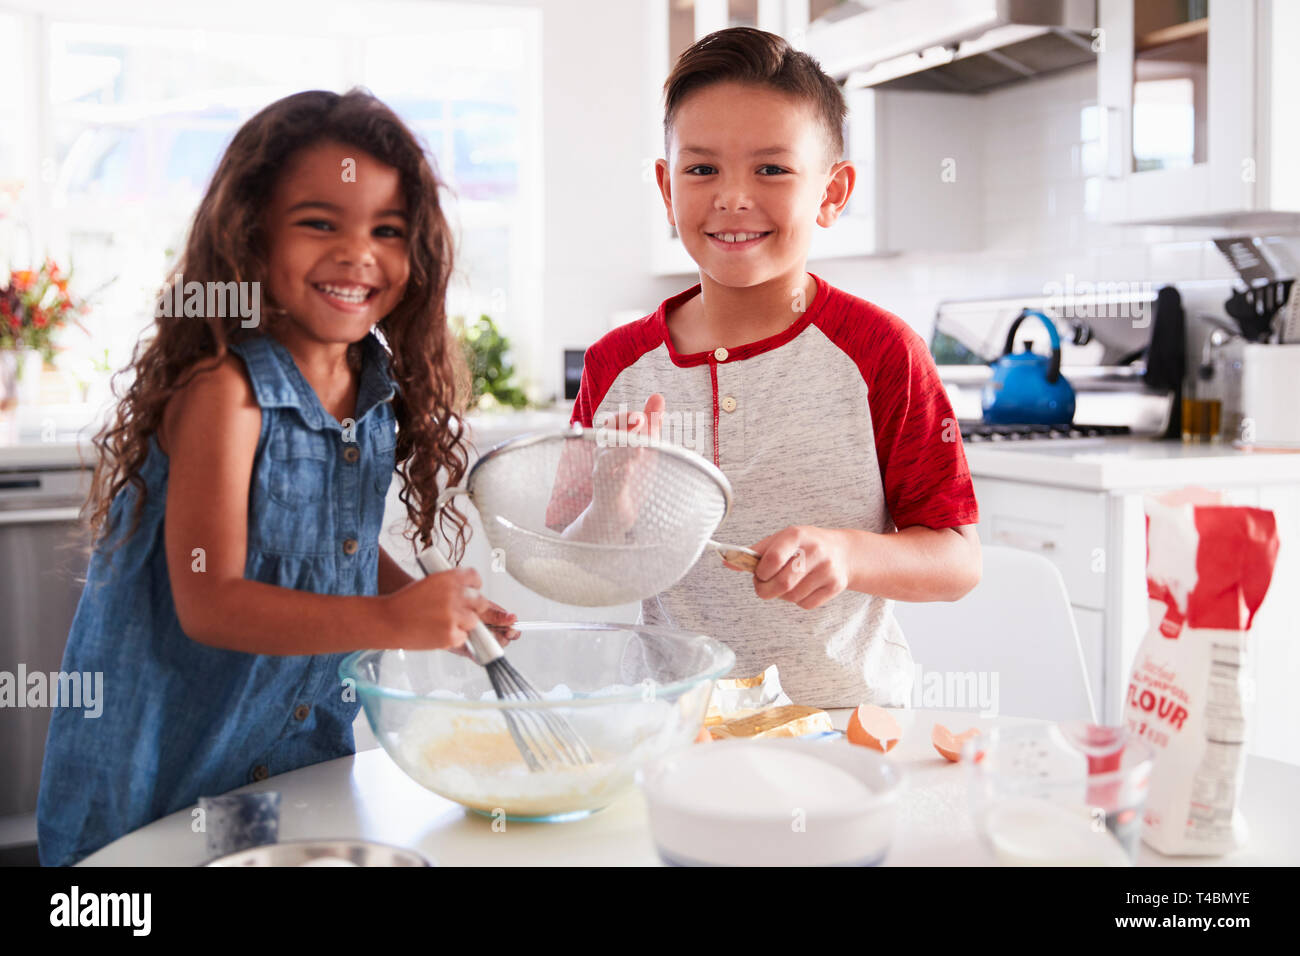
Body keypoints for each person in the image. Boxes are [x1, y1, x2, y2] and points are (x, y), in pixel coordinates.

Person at [37, 89, 516, 866]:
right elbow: (210, 601)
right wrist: (395, 625)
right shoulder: (225, 394)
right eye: (320, 222)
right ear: (251, 237)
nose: (359, 253)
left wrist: (422, 604)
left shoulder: (373, 389)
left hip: (281, 762)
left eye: (387, 231)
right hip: (163, 767)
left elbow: (339, 552)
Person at [565, 28, 981, 708]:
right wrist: (610, 508)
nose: (732, 197)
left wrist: (848, 555)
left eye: (772, 169)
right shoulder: (617, 365)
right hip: (675, 727)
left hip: (847, 728)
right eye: (702, 170)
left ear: (832, 192)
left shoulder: (883, 352)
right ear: (667, 189)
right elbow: (578, 569)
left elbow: (958, 561)